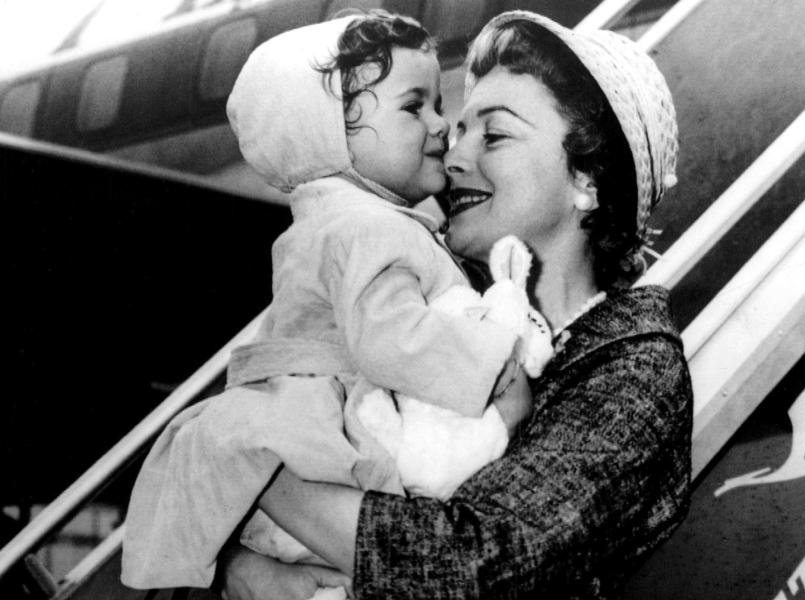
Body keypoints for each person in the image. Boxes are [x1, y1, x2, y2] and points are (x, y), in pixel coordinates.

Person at [219, 10, 693, 600]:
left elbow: (482, 562)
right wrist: (238, 567)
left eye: (492, 135)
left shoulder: (632, 367)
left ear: (588, 178)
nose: (453, 156)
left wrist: (255, 465)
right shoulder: (417, 297)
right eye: (459, 129)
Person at [121, 11, 550, 594]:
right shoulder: (365, 227)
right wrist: (492, 357)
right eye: (413, 106)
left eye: (437, 105)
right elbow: (389, 339)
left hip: (294, 463)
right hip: (332, 447)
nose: (441, 125)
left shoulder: (334, 221)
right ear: (331, 135)